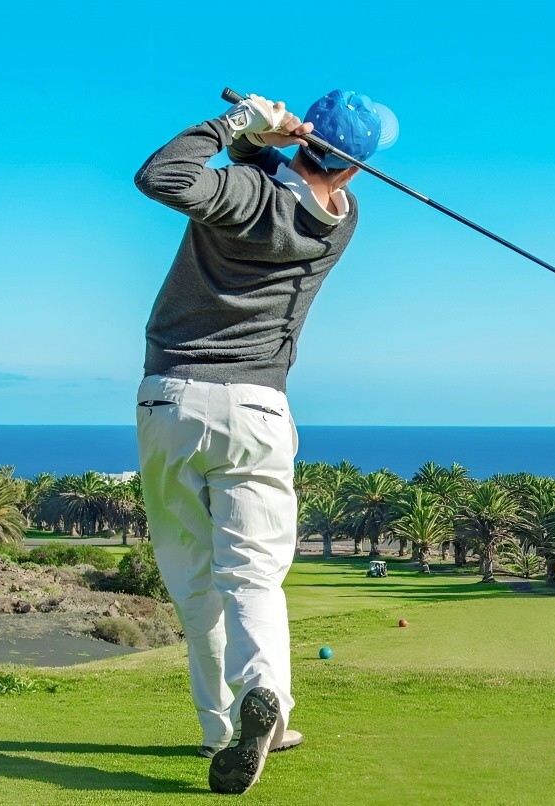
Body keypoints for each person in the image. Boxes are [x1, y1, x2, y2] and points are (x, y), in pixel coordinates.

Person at [132, 89, 394, 794]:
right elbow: (283, 191)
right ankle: (267, 703)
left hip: (172, 398)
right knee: (253, 575)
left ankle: (221, 728)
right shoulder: (341, 222)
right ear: (352, 171)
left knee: (194, 580)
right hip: (257, 409)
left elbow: (161, 176)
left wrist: (236, 126)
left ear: (303, 135)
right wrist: (264, 145)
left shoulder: (243, 194)